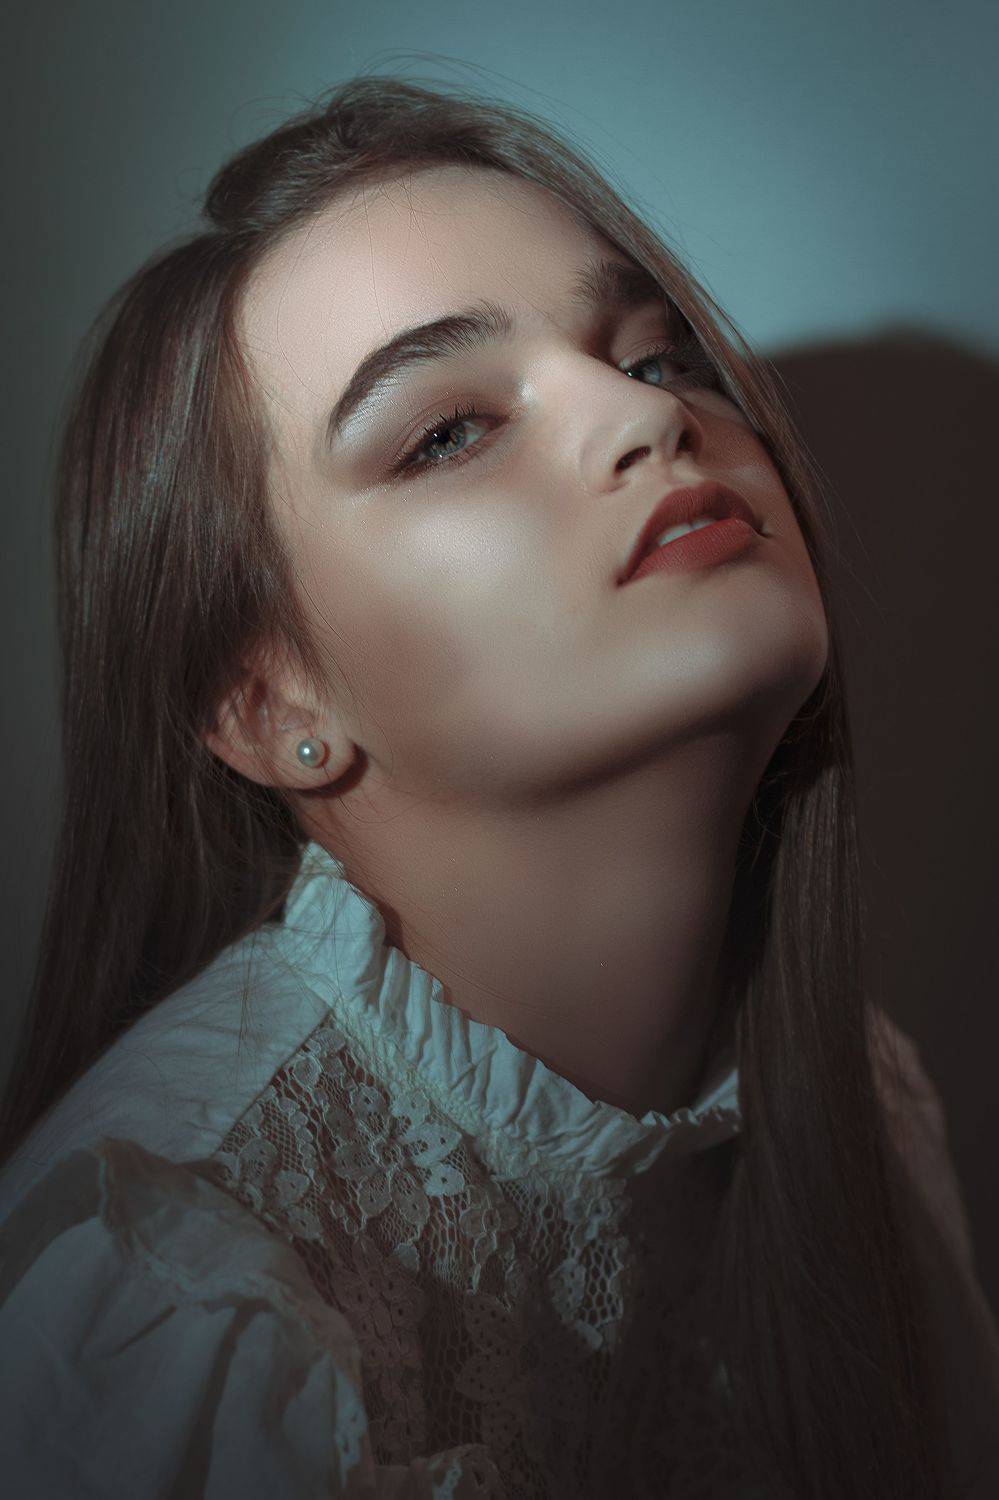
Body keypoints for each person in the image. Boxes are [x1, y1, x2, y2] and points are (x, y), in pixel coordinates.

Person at [0, 74, 996, 1499]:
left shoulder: (861, 1110)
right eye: (448, 433)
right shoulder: (160, 1294)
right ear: (272, 705)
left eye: (660, 357)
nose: (641, 415)